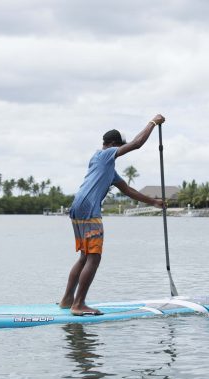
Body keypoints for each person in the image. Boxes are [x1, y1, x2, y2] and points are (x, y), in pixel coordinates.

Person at [60, 114, 166, 316]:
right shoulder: (104, 155)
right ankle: (78, 304)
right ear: (111, 144)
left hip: (78, 206)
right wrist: (153, 123)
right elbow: (136, 144)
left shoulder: (105, 166)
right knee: (94, 258)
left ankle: (67, 300)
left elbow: (127, 190)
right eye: (118, 147)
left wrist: (153, 202)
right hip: (89, 209)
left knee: (85, 256)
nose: (119, 151)